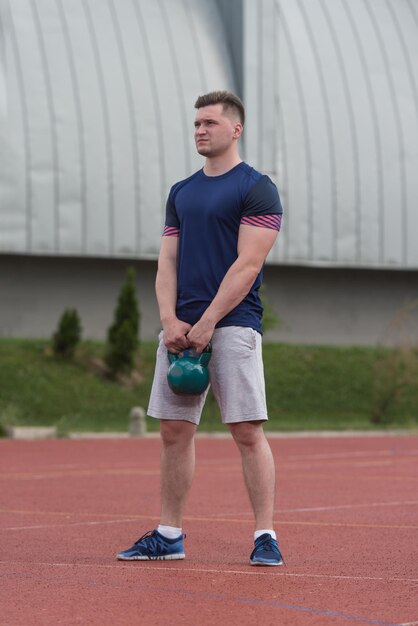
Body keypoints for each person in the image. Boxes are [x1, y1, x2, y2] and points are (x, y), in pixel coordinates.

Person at [117, 90, 284, 566]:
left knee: (247, 431)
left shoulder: (257, 188)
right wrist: (170, 320)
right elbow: (166, 261)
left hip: (232, 325)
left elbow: (248, 265)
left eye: (209, 122)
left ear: (236, 129)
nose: (200, 130)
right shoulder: (181, 192)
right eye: (195, 124)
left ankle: (265, 536)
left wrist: (209, 321)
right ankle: (169, 535)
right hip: (180, 330)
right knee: (174, 430)